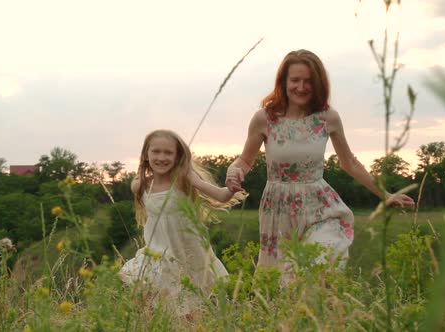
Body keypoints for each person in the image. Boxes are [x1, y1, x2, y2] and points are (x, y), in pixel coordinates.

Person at [225, 49, 415, 275]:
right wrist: (233, 171)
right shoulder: (265, 118)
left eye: (309, 81)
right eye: (295, 80)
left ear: (318, 84)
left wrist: (386, 195)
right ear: (283, 82)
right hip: (278, 208)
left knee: (319, 263)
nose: (301, 87)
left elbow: (350, 163)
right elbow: (245, 161)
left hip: (319, 205)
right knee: (283, 281)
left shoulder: (328, 117)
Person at [119, 129, 246, 316]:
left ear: (178, 156)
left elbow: (220, 195)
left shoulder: (184, 179)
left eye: (168, 152)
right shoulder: (141, 185)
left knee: (189, 313)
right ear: (146, 154)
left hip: (188, 254)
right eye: (156, 151)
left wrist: (230, 189)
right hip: (157, 255)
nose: (161, 157)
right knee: (145, 301)